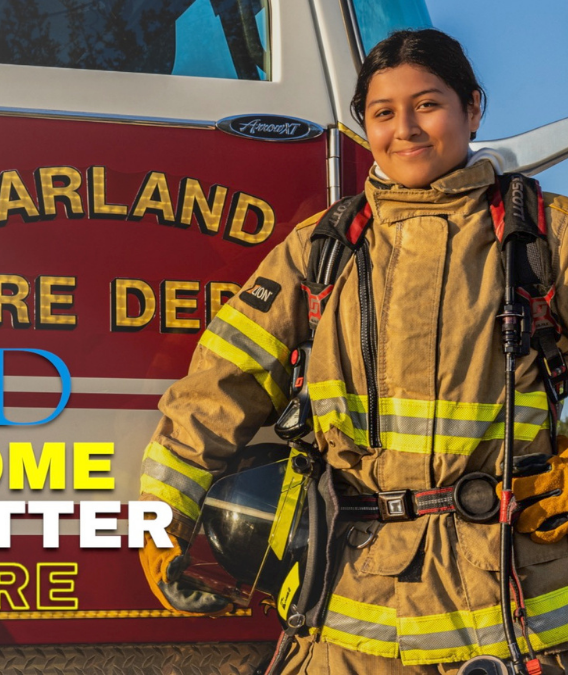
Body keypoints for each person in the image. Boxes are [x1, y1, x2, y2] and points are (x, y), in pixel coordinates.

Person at [138, 28, 568, 674]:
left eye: (428, 104)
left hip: (511, 611)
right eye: (384, 113)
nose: (408, 130)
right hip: (351, 614)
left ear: (472, 108)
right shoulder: (321, 250)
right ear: (363, 127)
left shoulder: (543, 234)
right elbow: (219, 385)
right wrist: (160, 515)